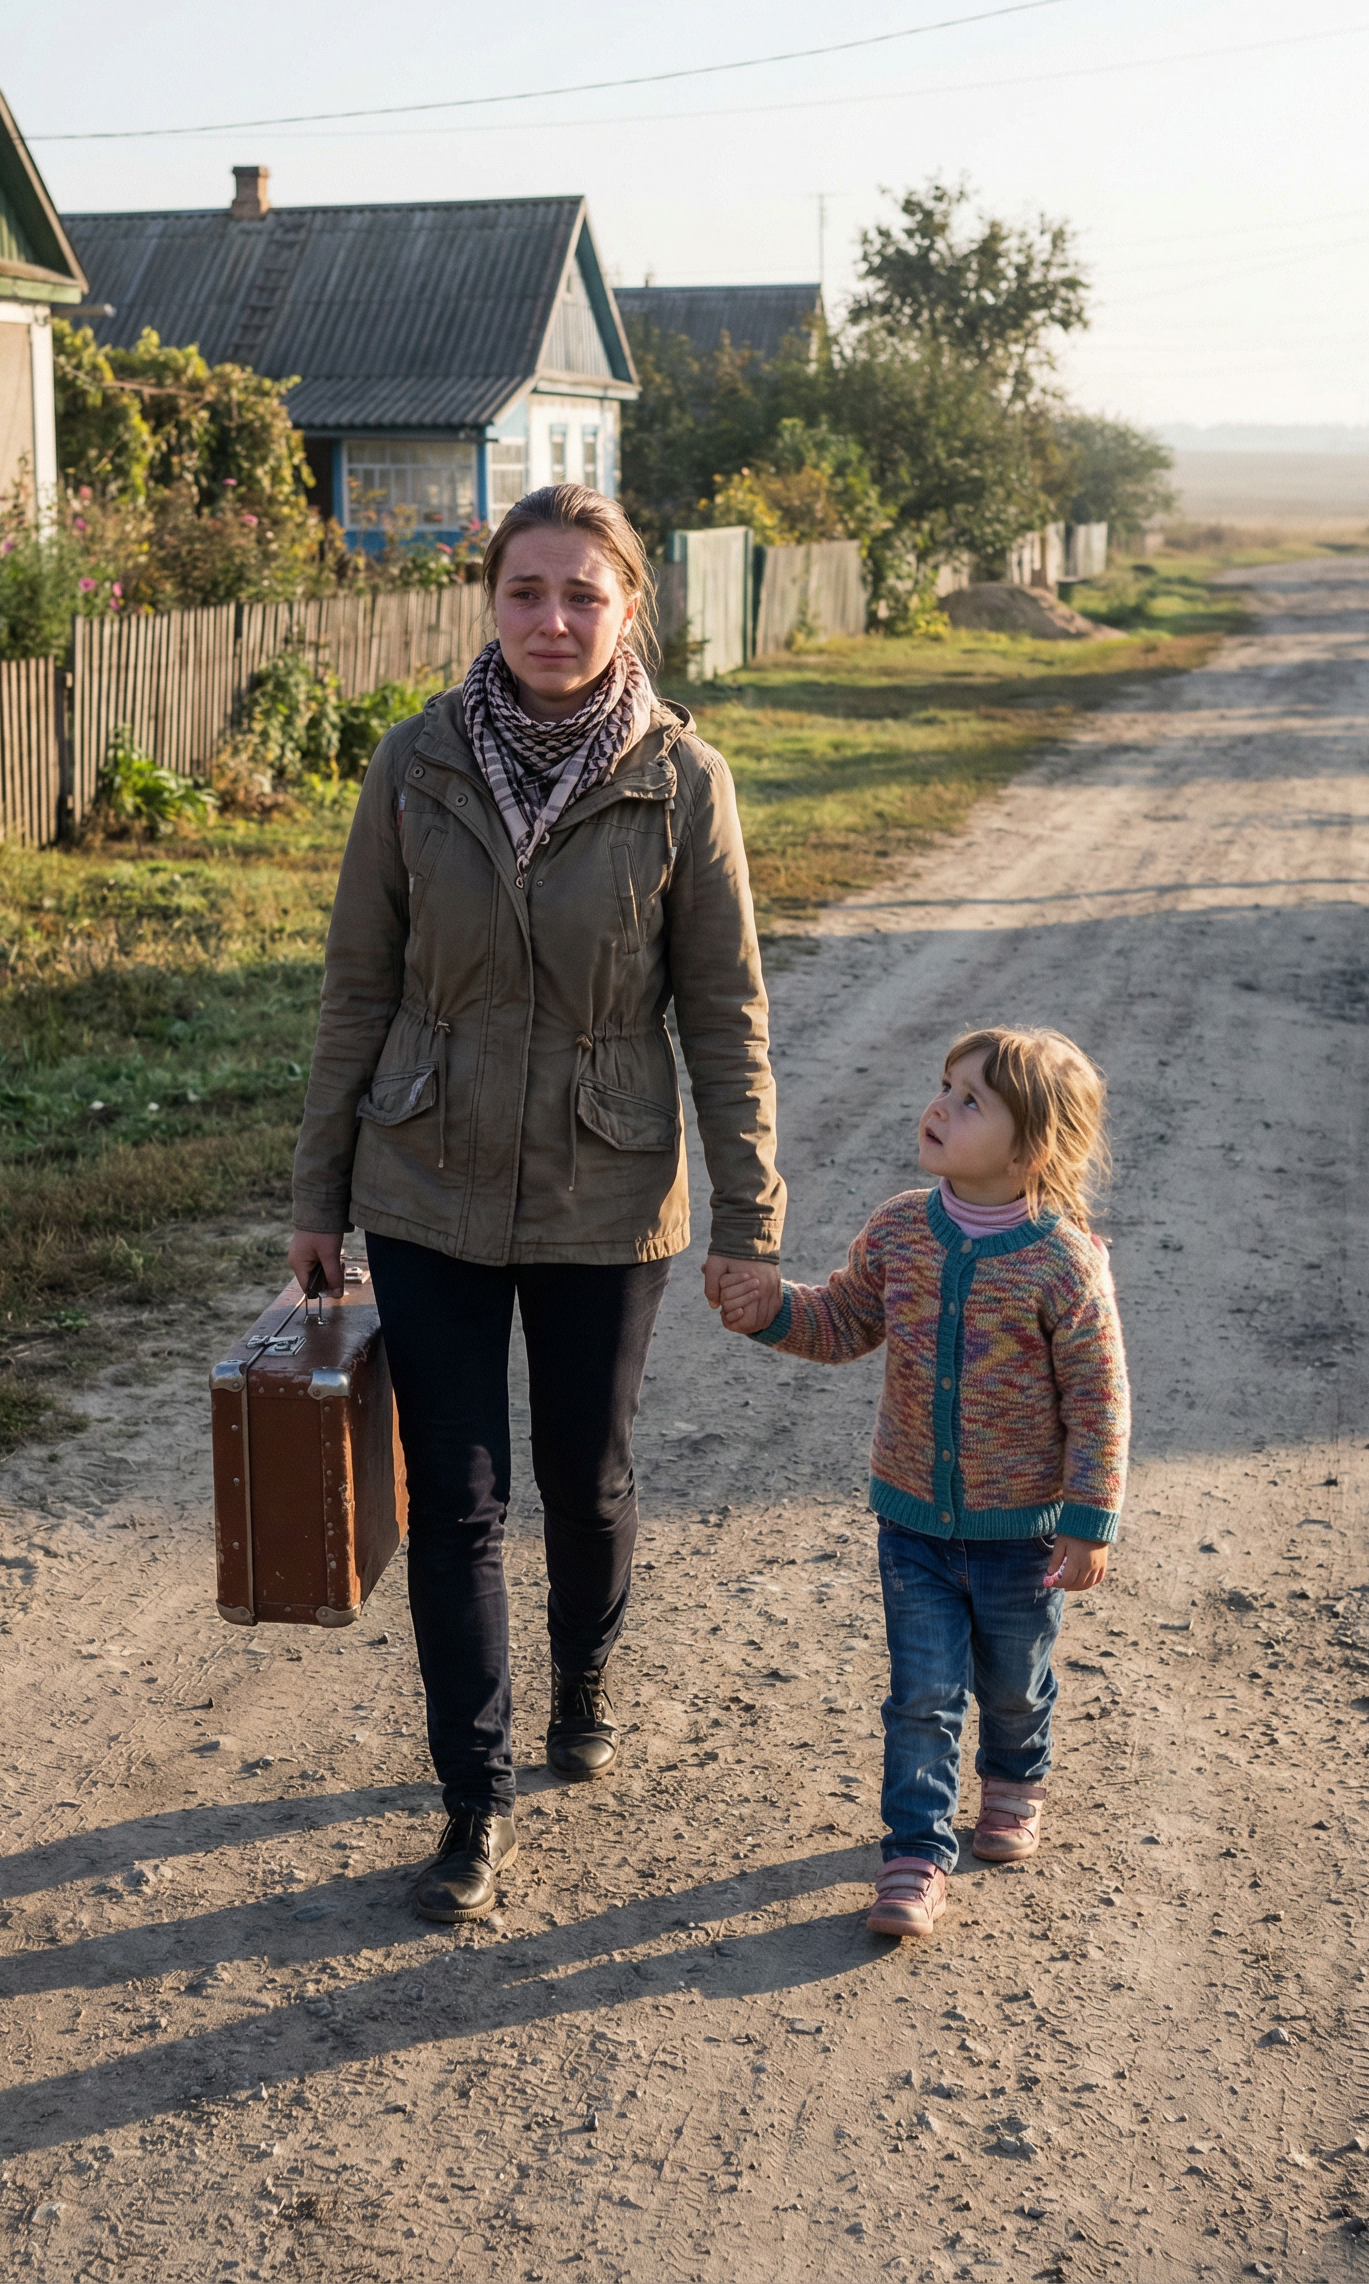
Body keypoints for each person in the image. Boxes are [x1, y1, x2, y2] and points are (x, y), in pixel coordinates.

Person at [289, 484, 785, 1923]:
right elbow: (356, 991)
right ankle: (472, 1801)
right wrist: (318, 1192)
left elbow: (726, 1015)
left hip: (605, 1183)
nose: (552, 621)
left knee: (589, 1478)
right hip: (422, 1174)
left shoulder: (683, 781)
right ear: (489, 602)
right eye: (525, 592)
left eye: (582, 593)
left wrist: (752, 1219)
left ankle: (585, 1678)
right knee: (452, 1500)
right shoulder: (415, 762)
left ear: (631, 605)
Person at [718, 1026, 1128, 1938]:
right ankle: (914, 1854)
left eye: (971, 1099)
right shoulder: (903, 1228)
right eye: (944, 1085)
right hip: (913, 1525)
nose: (940, 1105)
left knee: (1015, 1683)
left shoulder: (1064, 1263)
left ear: (1035, 1148)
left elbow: (1100, 1403)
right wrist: (773, 1310)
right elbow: (843, 1321)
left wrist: (1090, 1518)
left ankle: (1015, 1781)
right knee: (923, 1695)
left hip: (1023, 1533)